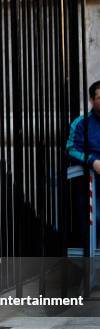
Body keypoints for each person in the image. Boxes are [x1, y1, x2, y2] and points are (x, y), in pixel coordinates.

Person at [66, 80, 100, 238]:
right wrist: (92, 161)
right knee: (94, 224)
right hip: (90, 186)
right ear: (92, 100)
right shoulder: (80, 123)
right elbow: (71, 148)